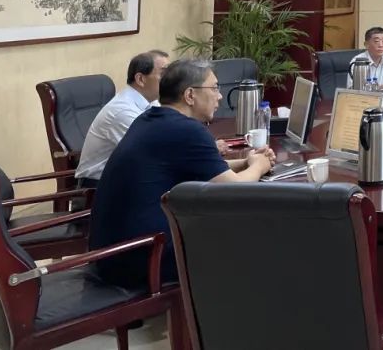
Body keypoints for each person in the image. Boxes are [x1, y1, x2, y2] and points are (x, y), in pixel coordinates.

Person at [89, 59, 276, 288]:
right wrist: (260, 166)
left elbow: (202, 168)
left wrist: (246, 162)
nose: (219, 96)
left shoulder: (150, 119)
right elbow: (235, 189)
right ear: (190, 95)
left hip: (112, 254)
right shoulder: (187, 130)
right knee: (250, 235)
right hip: (143, 258)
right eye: (214, 88)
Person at [75, 50, 169, 188]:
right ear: (140, 79)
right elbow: (156, 152)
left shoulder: (152, 102)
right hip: (99, 188)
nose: (170, 80)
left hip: (129, 178)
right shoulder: (122, 112)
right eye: (164, 74)